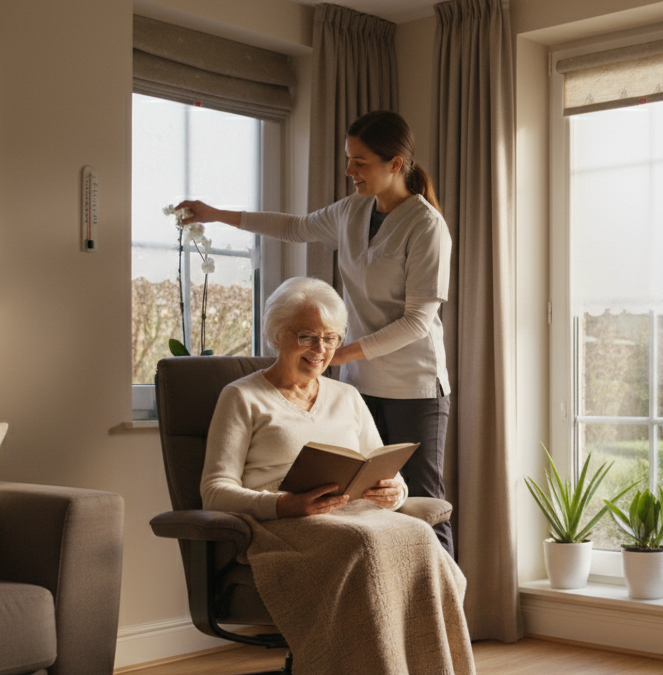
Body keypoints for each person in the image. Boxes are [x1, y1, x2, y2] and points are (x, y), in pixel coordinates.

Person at [200, 277, 476, 675]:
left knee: (417, 531)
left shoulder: (346, 396)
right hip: (282, 526)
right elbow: (214, 489)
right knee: (363, 545)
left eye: (330, 338)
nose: (321, 349)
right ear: (277, 335)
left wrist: (394, 492)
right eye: (307, 336)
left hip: (354, 515)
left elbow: (385, 468)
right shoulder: (242, 397)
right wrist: (286, 504)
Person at [178, 110, 456, 556]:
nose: (349, 171)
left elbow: (418, 321)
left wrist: (335, 355)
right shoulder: (352, 210)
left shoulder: (426, 226)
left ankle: (444, 594)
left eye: (360, 162)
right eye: (348, 158)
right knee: (355, 499)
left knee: (421, 504)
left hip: (412, 383)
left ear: (395, 164)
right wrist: (216, 215)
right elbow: (294, 227)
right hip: (361, 381)